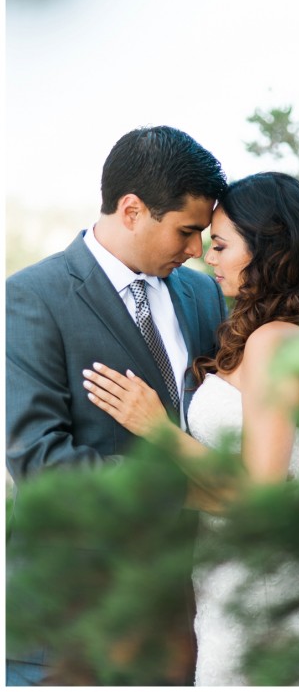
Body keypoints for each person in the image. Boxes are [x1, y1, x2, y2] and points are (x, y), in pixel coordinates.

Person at [81, 172, 299, 686]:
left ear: (267, 249)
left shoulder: (274, 342)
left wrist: (157, 428)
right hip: (229, 583)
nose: (206, 256)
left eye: (220, 244)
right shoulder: (260, 334)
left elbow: (261, 495)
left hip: (267, 591)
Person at [6, 125, 228, 685]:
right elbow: (37, 461)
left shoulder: (203, 295)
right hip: (73, 624)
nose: (197, 249)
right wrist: (178, 490)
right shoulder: (32, 297)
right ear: (131, 210)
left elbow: (249, 398)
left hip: (186, 617)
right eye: (186, 231)